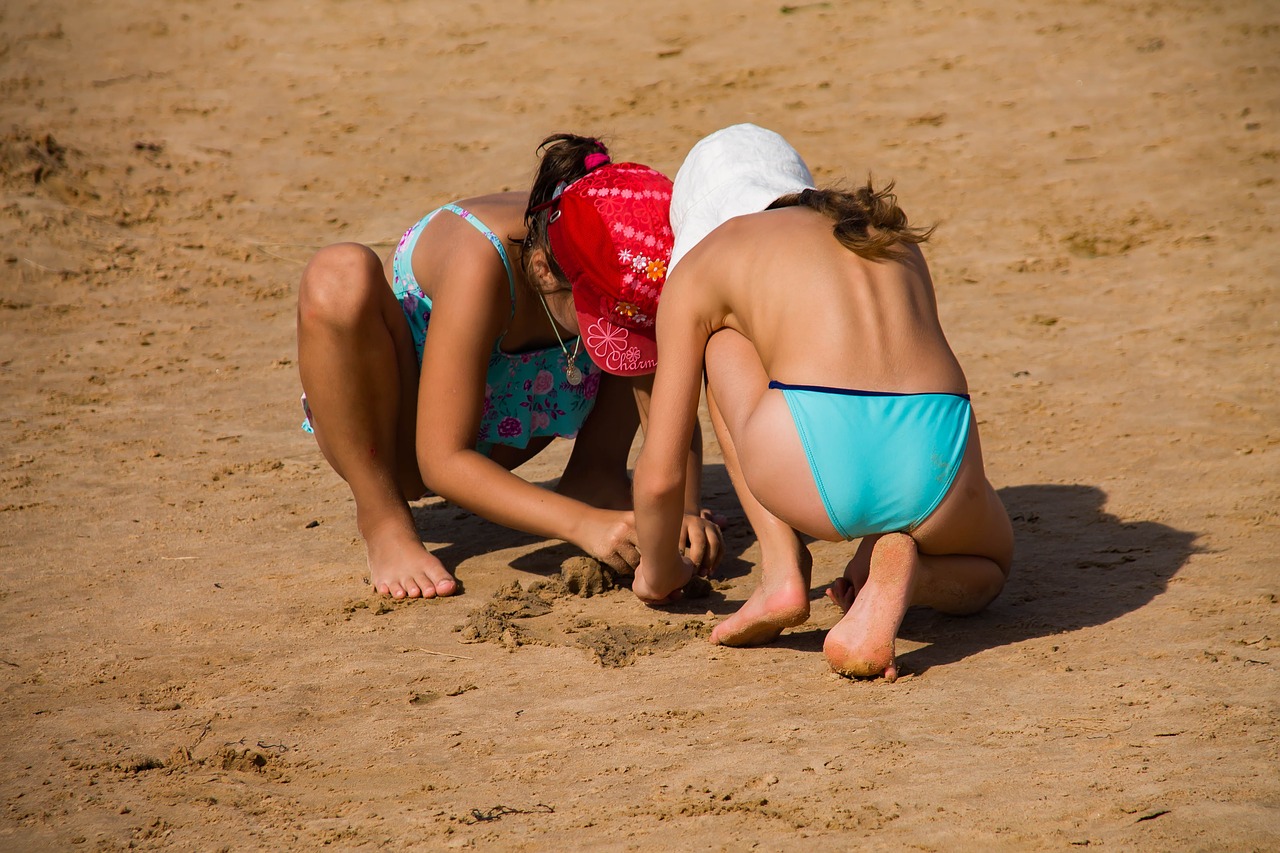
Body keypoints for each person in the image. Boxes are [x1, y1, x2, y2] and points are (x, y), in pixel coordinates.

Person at [632, 124, 1013, 680]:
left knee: (722, 339)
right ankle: (914, 572)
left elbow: (661, 474)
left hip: (811, 452)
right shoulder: (884, 235)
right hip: (936, 446)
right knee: (987, 568)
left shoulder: (708, 260)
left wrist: (657, 568)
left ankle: (781, 573)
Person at [297, 134, 722, 600]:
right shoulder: (481, 261)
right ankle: (382, 520)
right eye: (601, 320)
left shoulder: (616, 241)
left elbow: (662, 394)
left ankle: (596, 476)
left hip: (512, 422)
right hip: (402, 440)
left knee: (658, 317)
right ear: (542, 269)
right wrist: (583, 526)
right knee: (339, 273)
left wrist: (683, 508)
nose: (612, 337)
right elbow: (440, 462)